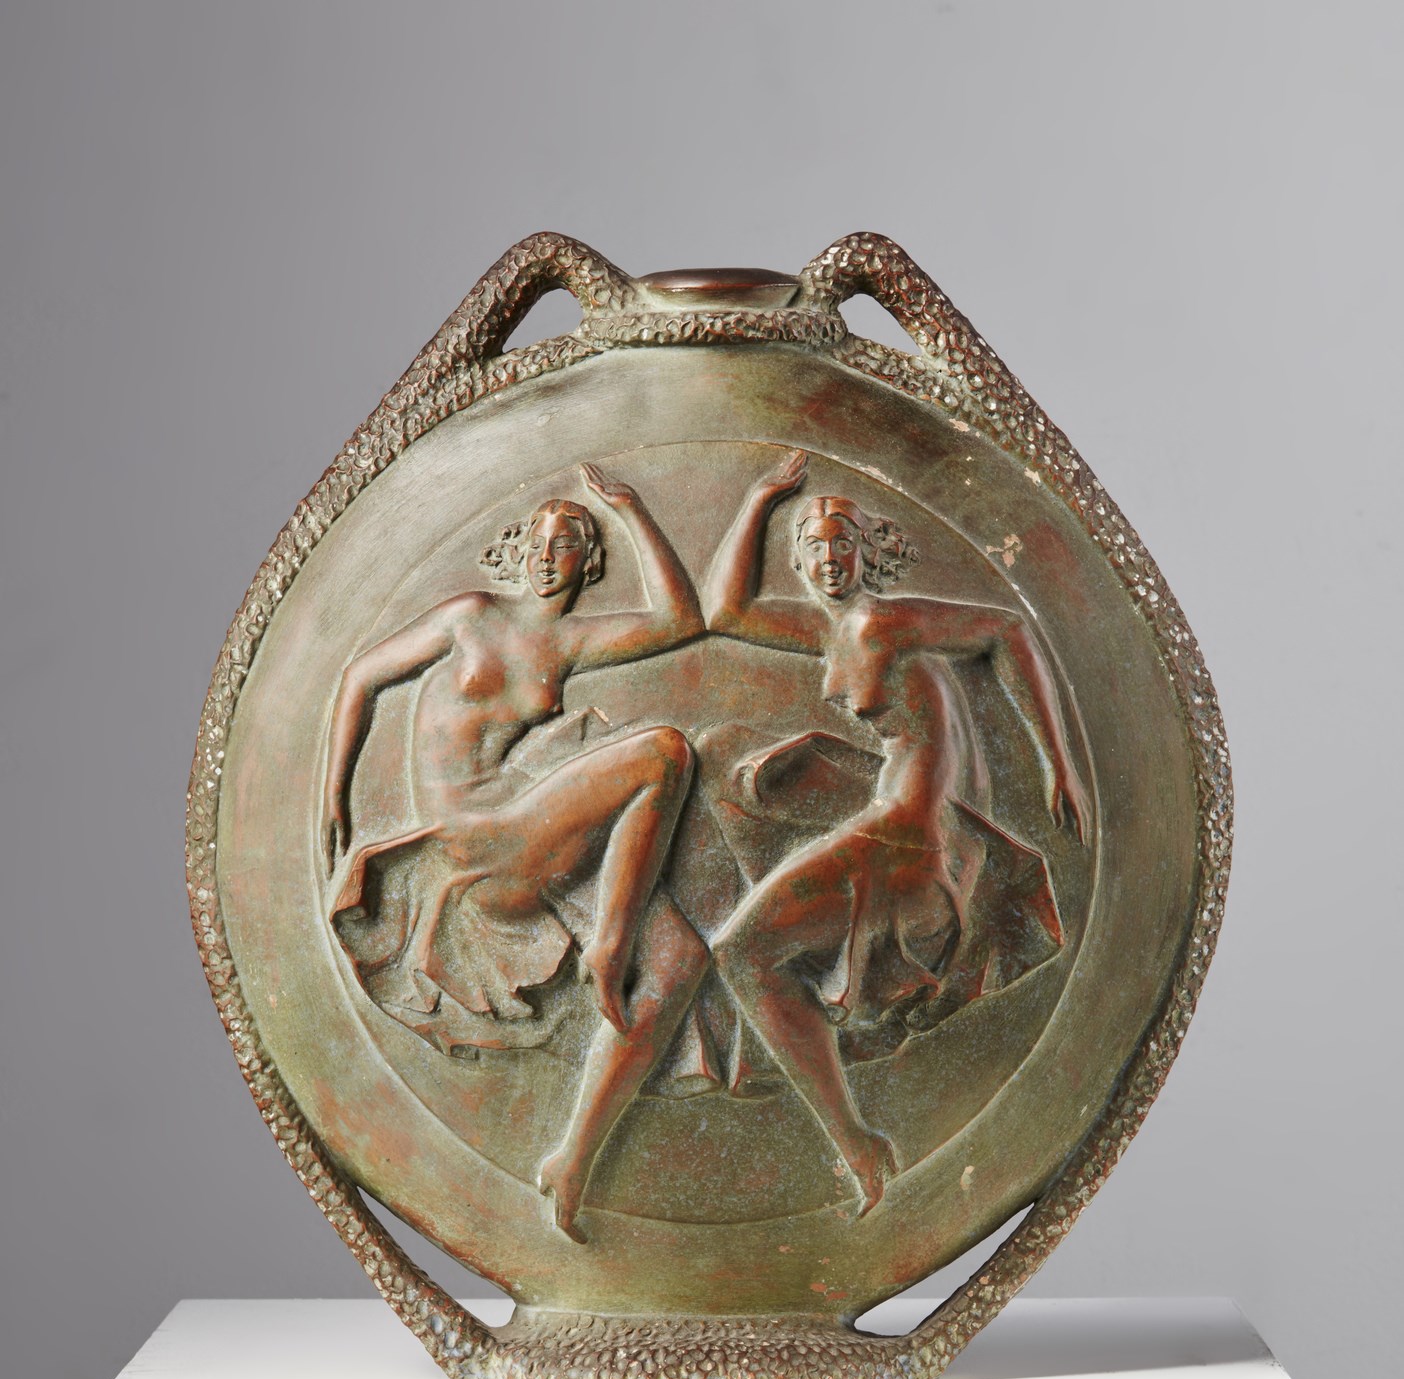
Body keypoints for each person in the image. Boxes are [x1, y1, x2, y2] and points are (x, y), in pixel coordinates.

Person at [323, 463, 707, 1241]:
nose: (547, 556)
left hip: (525, 823)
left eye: (566, 545)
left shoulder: (568, 643)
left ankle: (573, 1158)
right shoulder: (471, 616)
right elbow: (360, 677)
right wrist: (335, 792)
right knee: (665, 752)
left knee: (682, 964)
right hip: (469, 833)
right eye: (539, 542)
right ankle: (610, 941)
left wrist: (632, 508)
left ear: (588, 565)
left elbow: (680, 619)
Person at [702, 450, 1090, 1216]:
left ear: (868, 554)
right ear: (799, 562)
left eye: (843, 543)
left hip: (909, 838)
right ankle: (852, 1137)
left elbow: (1007, 628)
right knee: (744, 796)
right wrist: (758, 500)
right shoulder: (834, 630)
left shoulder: (882, 620)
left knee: (743, 952)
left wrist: (1059, 761)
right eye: (813, 546)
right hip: (899, 821)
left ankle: (856, 1143)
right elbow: (725, 611)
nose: (828, 558)